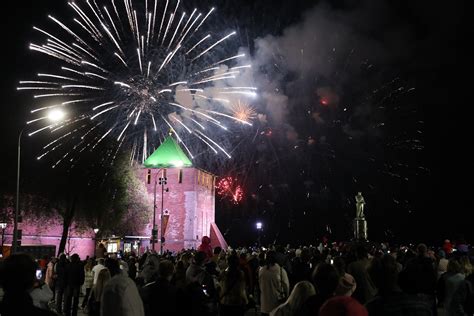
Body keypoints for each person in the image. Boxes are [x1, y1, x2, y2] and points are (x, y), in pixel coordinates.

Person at [259, 251, 290, 316]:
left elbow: (260, 285)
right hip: (277, 305)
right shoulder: (281, 270)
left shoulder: (261, 271)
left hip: (264, 304)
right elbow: (286, 286)